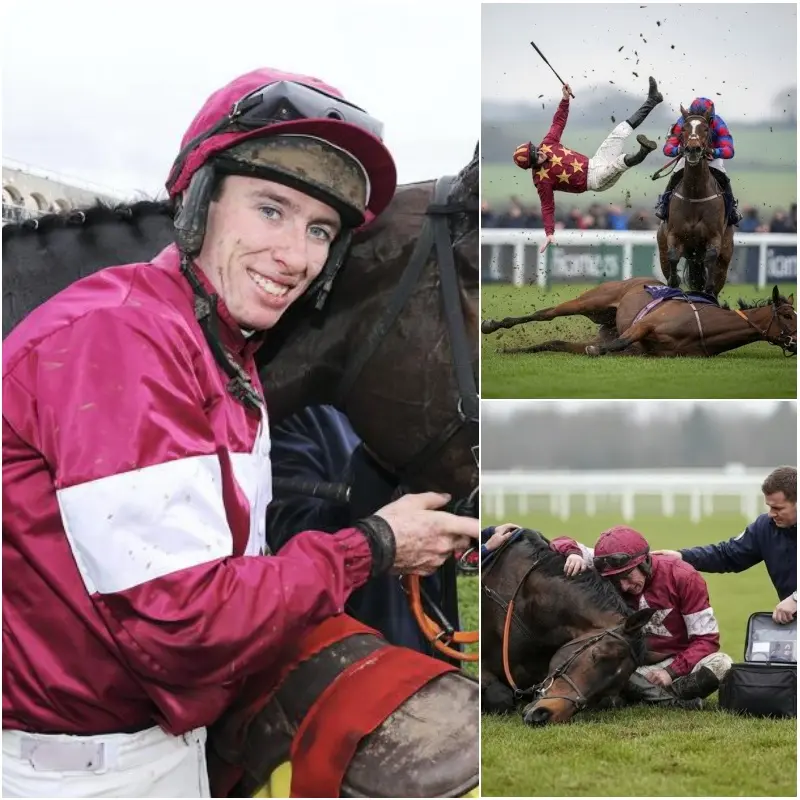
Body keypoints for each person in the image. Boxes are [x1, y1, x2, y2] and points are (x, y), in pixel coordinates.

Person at [2, 68, 478, 798]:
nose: (295, 256)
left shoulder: (224, 352)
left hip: (158, 749)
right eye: (271, 209)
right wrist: (374, 545)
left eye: (320, 229)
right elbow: (184, 625)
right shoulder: (121, 338)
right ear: (199, 203)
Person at [268, 404, 460, 659]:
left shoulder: (414, 411)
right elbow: (291, 535)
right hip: (358, 658)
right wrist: (377, 455)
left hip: (435, 637)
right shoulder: (297, 416)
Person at [551, 526, 730, 705]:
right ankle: (663, 698)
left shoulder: (684, 576)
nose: (623, 586)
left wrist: (671, 671)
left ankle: (648, 697)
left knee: (721, 664)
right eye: (615, 579)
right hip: (631, 667)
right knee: (601, 670)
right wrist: (573, 554)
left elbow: (706, 640)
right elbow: (559, 542)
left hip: (677, 662)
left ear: (644, 562)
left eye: (628, 576)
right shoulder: (608, 562)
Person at [512, 77, 663, 254]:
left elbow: (558, 122)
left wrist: (565, 99)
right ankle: (644, 151)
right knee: (618, 162)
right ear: (531, 166)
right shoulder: (540, 180)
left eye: (536, 150)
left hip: (595, 161)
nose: (540, 153)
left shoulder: (547, 143)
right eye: (536, 157)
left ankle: (652, 100)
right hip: (595, 181)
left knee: (619, 132)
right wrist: (549, 233)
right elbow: (547, 207)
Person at [654, 466, 797, 625]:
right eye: (769, 507)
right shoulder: (765, 527)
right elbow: (727, 554)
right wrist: (682, 557)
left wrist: (796, 598)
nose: (771, 514)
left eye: (778, 508)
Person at [654, 97, 742, 226]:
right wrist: (679, 150)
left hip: (711, 158)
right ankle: (664, 205)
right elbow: (668, 148)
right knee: (675, 175)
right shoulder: (683, 121)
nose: (698, 119)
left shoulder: (718, 123)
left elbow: (729, 150)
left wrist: (712, 151)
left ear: (709, 117)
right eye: (695, 116)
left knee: (723, 178)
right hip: (688, 155)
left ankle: (732, 210)